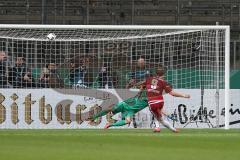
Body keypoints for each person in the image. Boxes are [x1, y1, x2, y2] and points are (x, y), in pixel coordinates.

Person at [144, 67, 190, 133]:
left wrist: (140, 86)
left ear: (155, 74)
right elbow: (172, 93)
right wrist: (184, 95)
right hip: (160, 101)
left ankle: (157, 127)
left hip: (152, 101)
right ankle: (173, 129)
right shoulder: (164, 82)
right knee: (158, 115)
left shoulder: (149, 79)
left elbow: (142, 84)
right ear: (164, 74)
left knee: (158, 117)